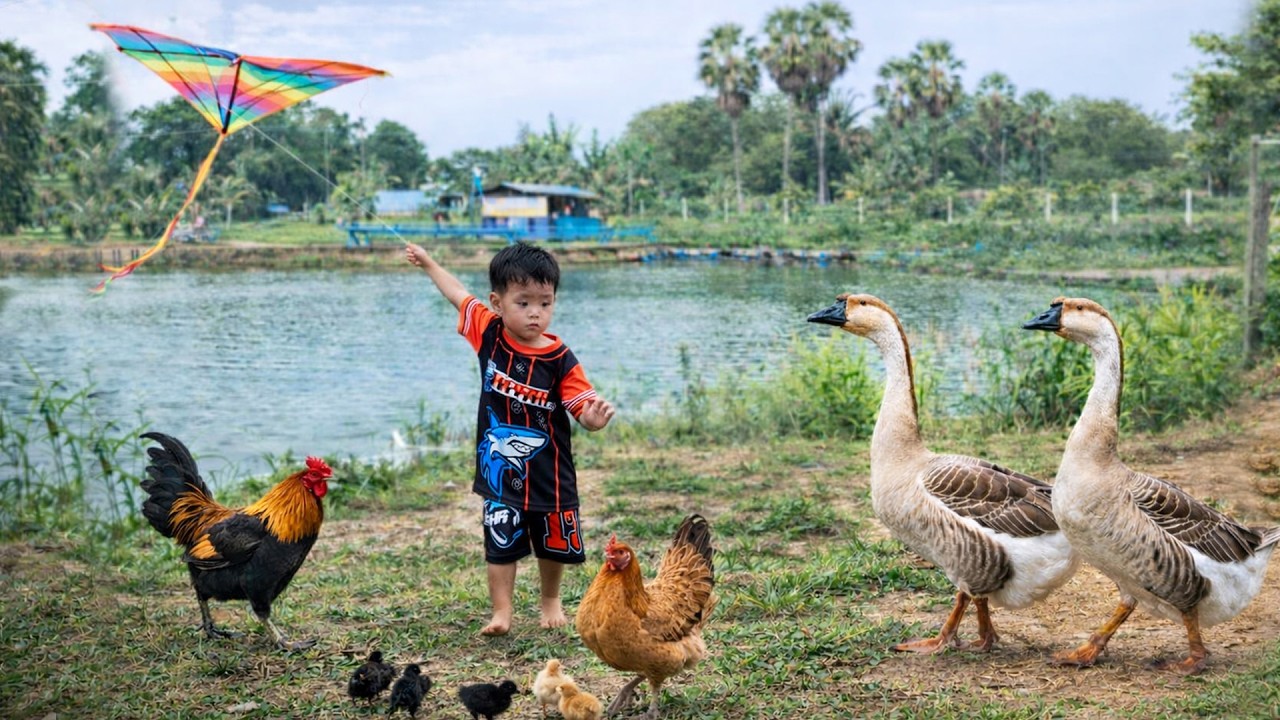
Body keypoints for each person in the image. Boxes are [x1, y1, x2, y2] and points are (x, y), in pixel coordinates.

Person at [405, 240, 616, 636]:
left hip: (550, 472)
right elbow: (456, 293)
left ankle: (550, 599)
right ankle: (501, 612)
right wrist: (429, 262)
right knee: (500, 541)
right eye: (523, 303)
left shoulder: (561, 358)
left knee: (553, 542)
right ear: (497, 303)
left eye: (545, 302)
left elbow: (582, 407)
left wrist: (593, 418)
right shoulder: (488, 332)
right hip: (500, 471)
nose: (535, 313)